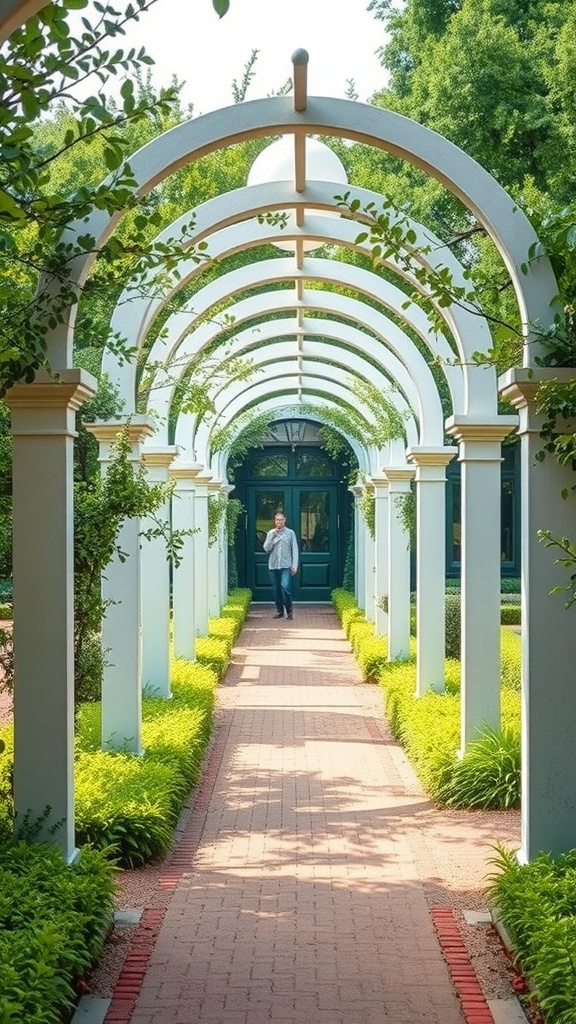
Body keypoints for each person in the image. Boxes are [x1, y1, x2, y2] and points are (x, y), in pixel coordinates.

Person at [263, 511, 299, 620]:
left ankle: (289, 610)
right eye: (277, 520)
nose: (279, 522)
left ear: (285, 520)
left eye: (281, 519)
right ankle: (279, 611)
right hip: (273, 566)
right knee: (276, 590)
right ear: (275, 521)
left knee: (285, 587)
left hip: (286, 565)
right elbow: (266, 548)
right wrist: (272, 538)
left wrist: (294, 565)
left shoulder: (290, 533)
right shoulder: (271, 533)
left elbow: (295, 550)